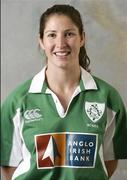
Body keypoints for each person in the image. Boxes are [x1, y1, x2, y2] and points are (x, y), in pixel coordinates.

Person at [1, 4, 127, 180]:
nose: (60, 43)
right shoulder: (17, 102)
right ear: (41, 41)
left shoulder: (108, 98)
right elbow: (9, 167)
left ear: (82, 38)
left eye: (69, 34)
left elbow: (108, 161)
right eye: (52, 35)